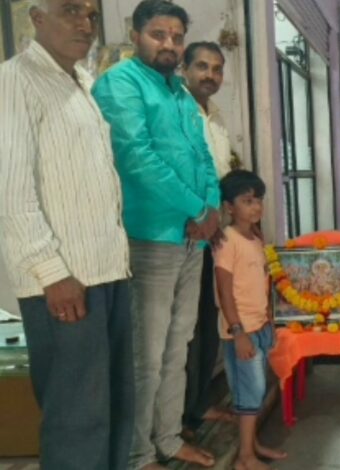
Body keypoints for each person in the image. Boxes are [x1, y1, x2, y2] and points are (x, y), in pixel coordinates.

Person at [0, 1, 133, 468]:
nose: (85, 23)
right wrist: (52, 273)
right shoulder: (14, 81)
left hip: (107, 272)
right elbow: (10, 193)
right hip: (64, 283)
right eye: (70, 10)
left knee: (114, 407)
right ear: (36, 17)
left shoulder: (81, 83)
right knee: (77, 419)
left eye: (92, 15)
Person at [92, 1, 221, 468]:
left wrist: (209, 211)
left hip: (192, 238)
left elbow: (203, 156)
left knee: (178, 345)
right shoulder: (120, 84)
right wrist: (196, 207)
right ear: (135, 34)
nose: (169, 44)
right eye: (158, 34)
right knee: (145, 354)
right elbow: (136, 158)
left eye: (177, 37)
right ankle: (137, 452)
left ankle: (167, 437)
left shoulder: (180, 94)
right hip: (148, 237)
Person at [214, 170, 287, 470]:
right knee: (248, 394)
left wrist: (269, 320)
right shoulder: (227, 240)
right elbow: (224, 291)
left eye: (258, 200)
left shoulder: (256, 238)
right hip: (241, 331)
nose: (256, 207)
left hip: (259, 326)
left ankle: (252, 445)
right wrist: (238, 331)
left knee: (255, 391)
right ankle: (244, 458)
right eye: (247, 201)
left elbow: (261, 283)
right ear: (229, 207)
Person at [181, 40, 236, 437]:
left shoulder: (215, 116)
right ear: (185, 69)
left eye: (216, 69)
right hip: (186, 232)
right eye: (202, 66)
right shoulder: (178, 110)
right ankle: (179, 417)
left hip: (214, 233)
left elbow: (220, 173)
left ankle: (198, 403)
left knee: (206, 319)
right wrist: (201, 217)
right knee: (184, 329)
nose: (210, 75)